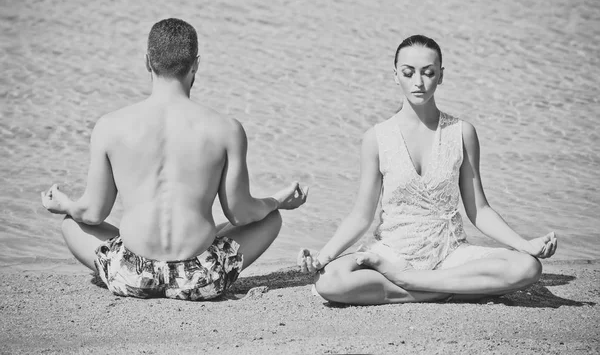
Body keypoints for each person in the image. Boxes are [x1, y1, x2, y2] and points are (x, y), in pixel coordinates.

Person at [41, 18, 308, 301]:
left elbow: (93, 213)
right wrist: (276, 201)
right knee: (270, 219)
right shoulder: (226, 129)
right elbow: (241, 214)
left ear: (147, 62)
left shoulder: (110, 126)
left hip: (130, 275)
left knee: (72, 222)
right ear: (196, 64)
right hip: (201, 277)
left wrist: (65, 204)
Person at [297, 35, 557, 305]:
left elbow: (479, 210)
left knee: (527, 267)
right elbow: (361, 216)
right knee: (329, 280)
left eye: (428, 73)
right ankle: (444, 289)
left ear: (441, 75)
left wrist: (524, 245)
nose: (418, 82)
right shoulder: (376, 138)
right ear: (395, 75)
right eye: (408, 73)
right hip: (392, 253)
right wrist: (322, 257)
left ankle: (408, 283)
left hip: (451, 255)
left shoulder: (462, 132)